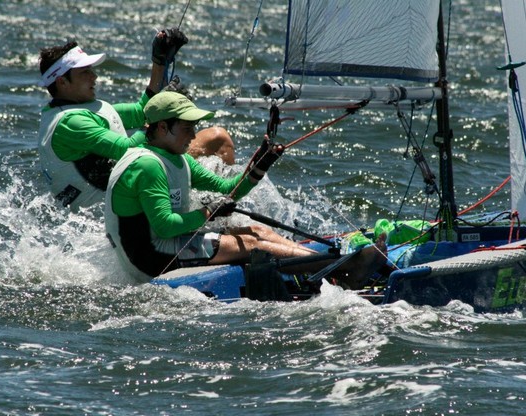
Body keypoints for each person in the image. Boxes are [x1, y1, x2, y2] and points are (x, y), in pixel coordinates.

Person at [104, 91, 387, 288]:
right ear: (163, 127)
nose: (194, 134)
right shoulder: (148, 165)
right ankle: (347, 270)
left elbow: (230, 189)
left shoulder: (179, 159)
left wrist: (258, 166)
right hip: (150, 260)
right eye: (188, 127)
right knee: (251, 246)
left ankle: (329, 268)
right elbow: (165, 227)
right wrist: (209, 212)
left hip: (168, 244)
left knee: (259, 232)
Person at [37, 29, 235, 211]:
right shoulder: (70, 123)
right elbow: (128, 149)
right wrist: (161, 119)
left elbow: (143, 111)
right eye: (85, 72)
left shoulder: (83, 108)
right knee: (216, 140)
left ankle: (220, 206)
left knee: (216, 138)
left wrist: (159, 62)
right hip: (109, 213)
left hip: (131, 186)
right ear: (62, 82)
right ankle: (214, 213)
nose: (94, 76)